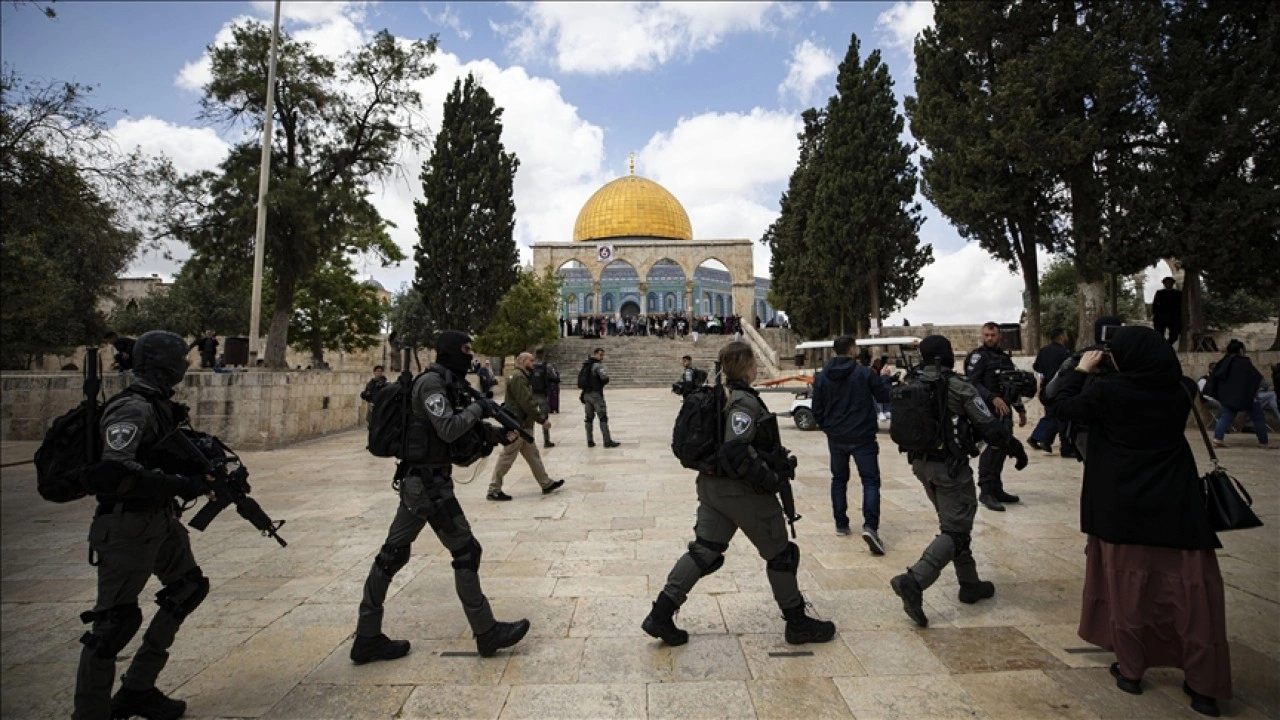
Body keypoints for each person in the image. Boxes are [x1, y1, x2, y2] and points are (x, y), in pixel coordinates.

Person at [1051, 327, 1231, 717]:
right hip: (1176, 504)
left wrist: (1080, 370)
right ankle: (1203, 687)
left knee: (1128, 592)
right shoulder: (1182, 388)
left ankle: (1131, 671)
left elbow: (1061, 405)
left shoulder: (1107, 391)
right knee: (1191, 599)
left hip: (1121, 504)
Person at [352, 331, 530, 664]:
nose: (470, 354)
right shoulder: (431, 385)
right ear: (449, 351)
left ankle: (366, 636)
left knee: (391, 555)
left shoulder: (448, 383)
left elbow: (450, 434)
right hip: (427, 486)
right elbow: (448, 428)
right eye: (465, 349)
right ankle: (486, 631)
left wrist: (493, 434)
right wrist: (479, 408)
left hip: (421, 483)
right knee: (466, 551)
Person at [642, 342, 836, 646]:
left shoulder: (719, 395)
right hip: (741, 493)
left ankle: (661, 615)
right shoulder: (742, 401)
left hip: (713, 488)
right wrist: (770, 479)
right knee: (781, 555)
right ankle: (797, 622)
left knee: (704, 552)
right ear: (747, 367)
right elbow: (736, 449)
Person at [74, 331, 214, 720]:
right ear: (163, 364)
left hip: (159, 520)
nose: (185, 365)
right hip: (127, 525)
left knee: (188, 588)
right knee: (114, 623)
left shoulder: (159, 405)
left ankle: (138, 687)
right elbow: (116, 469)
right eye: (179, 359)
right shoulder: (132, 408)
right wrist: (182, 484)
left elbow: (161, 454)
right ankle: (89, 713)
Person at [889, 335, 1029, 628]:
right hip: (950, 469)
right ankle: (914, 580)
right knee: (956, 529)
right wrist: (1014, 448)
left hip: (921, 465)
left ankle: (970, 583)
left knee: (954, 525)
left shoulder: (911, 381)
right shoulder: (957, 385)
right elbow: (988, 425)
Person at [811, 336, 892, 553]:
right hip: (862, 437)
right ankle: (870, 526)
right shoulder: (864, 373)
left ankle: (841, 523)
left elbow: (817, 408)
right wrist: (885, 378)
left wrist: (828, 427)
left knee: (839, 479)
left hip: (836, 437)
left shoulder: (822, 376)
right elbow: (884, 395)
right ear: (852, 349)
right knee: (870, 481)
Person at [1044, 316, 1124, 461]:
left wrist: (1081, 370)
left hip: (1084, 428)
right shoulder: (1127, 356)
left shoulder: (1081, 356)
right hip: (1118, 428)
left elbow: (1051, 392)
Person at [487, 352, 565, 501]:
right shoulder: (518, 377)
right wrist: (542, 420)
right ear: (523, 361)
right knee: (507, 456)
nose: (533, 364)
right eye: (531, 361)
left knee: (533, 455)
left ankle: (545, 483)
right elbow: (526, 402)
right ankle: (494, 489)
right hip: (518, 425)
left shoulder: (520, 376)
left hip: (523, 425)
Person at [966, 322, 1027, 511]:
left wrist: (1020, 409)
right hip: (986, 411)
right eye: (986, 335)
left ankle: (996, 489)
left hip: (1004, 411)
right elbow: (973, 383)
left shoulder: (1004, 358)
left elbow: (1012, 385)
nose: (990, 338)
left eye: (993, 335)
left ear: (999, 336)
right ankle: (986, 492)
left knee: (1001, 449)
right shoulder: (978, 357)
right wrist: (992, 398)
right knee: (991, 449)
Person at [1208, 340, 1271, 448]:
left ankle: (1218, 438)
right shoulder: (1244, 363)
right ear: (1241, 350)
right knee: (1258, 417)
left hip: (1228, 397)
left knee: (1225, 417)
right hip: (1247, 396)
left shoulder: (1223, 362)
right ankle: (1263, 442)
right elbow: (1256, 378)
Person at [1027, 328, 1072, 454]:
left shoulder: (1043, 351)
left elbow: (1036, 366)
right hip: (1060, 387)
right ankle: (1042, 439)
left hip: (1046, 388)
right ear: (1061, 336)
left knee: (1050, 414)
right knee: (1058, 416)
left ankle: (1038, 438)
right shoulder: (1064, 353)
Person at [580, 347, 620, 448]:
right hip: (596, 395)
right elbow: (605, 378)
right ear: (596, 354)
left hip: (586, 394)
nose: (602, 357)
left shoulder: (586, 365)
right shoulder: (597, 366)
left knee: (589, 418)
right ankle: (607, 441)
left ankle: (589, 440)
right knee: (602, 417)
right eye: (600, 355)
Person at [531, 348, 559, 447]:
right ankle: (546, 440)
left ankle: (529, 440)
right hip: (542, 395)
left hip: (531, 395)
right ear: (543, 355)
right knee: (544, 418)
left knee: (530, 418)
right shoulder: (547, 366)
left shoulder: (531, 366)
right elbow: (555, 378)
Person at [1152, 277, 1183, 346]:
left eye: (1170, 282)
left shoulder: (1178, 293)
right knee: (1159, 335)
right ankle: (1163, 347)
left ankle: (1166, 345)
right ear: (1164, 284)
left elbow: (1181, 305)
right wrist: (1155, 314)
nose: (1168, 284)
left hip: (1174, 317)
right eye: (1167, 282)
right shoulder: (1159, 293)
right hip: (1161, 317)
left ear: (1173, 283)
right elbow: (1155, 304)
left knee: (1175, 335)